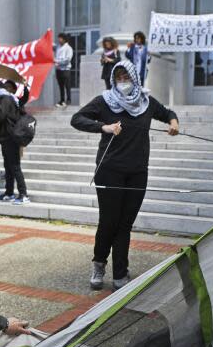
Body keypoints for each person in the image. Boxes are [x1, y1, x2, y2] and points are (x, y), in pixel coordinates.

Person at [71, 59, 179, 290]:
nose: (122, 82)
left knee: (125, 224)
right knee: (109, 221)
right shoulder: (105, 101)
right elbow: (77, 119)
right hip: (109, 170)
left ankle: (121, 272)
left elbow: (167, 112)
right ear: (113, 80)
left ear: (135, 78)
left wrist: (173, 122)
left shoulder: (146, 102)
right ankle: (99, 263)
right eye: (118, 78)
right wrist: (104, 127)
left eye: (126, 77)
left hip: (137, 172)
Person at [0, 79, 30, 205]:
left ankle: (23, 194)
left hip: (10, 137)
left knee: (14, 166)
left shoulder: (6, 100)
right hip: (6, 137)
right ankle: (9, 192)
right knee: (8, 166)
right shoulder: (10, 99)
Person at [55, 33, 74, 107]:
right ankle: (62, 100)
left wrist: (57, 61)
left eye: (60, 38)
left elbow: (67, 59)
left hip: (65, 69)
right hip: (58, 69)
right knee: (61, 86)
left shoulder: (68, 48)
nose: (59, 40)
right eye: (58, 38)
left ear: (64, 39)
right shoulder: (58, 47)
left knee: (67, 85)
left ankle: (68, 100)